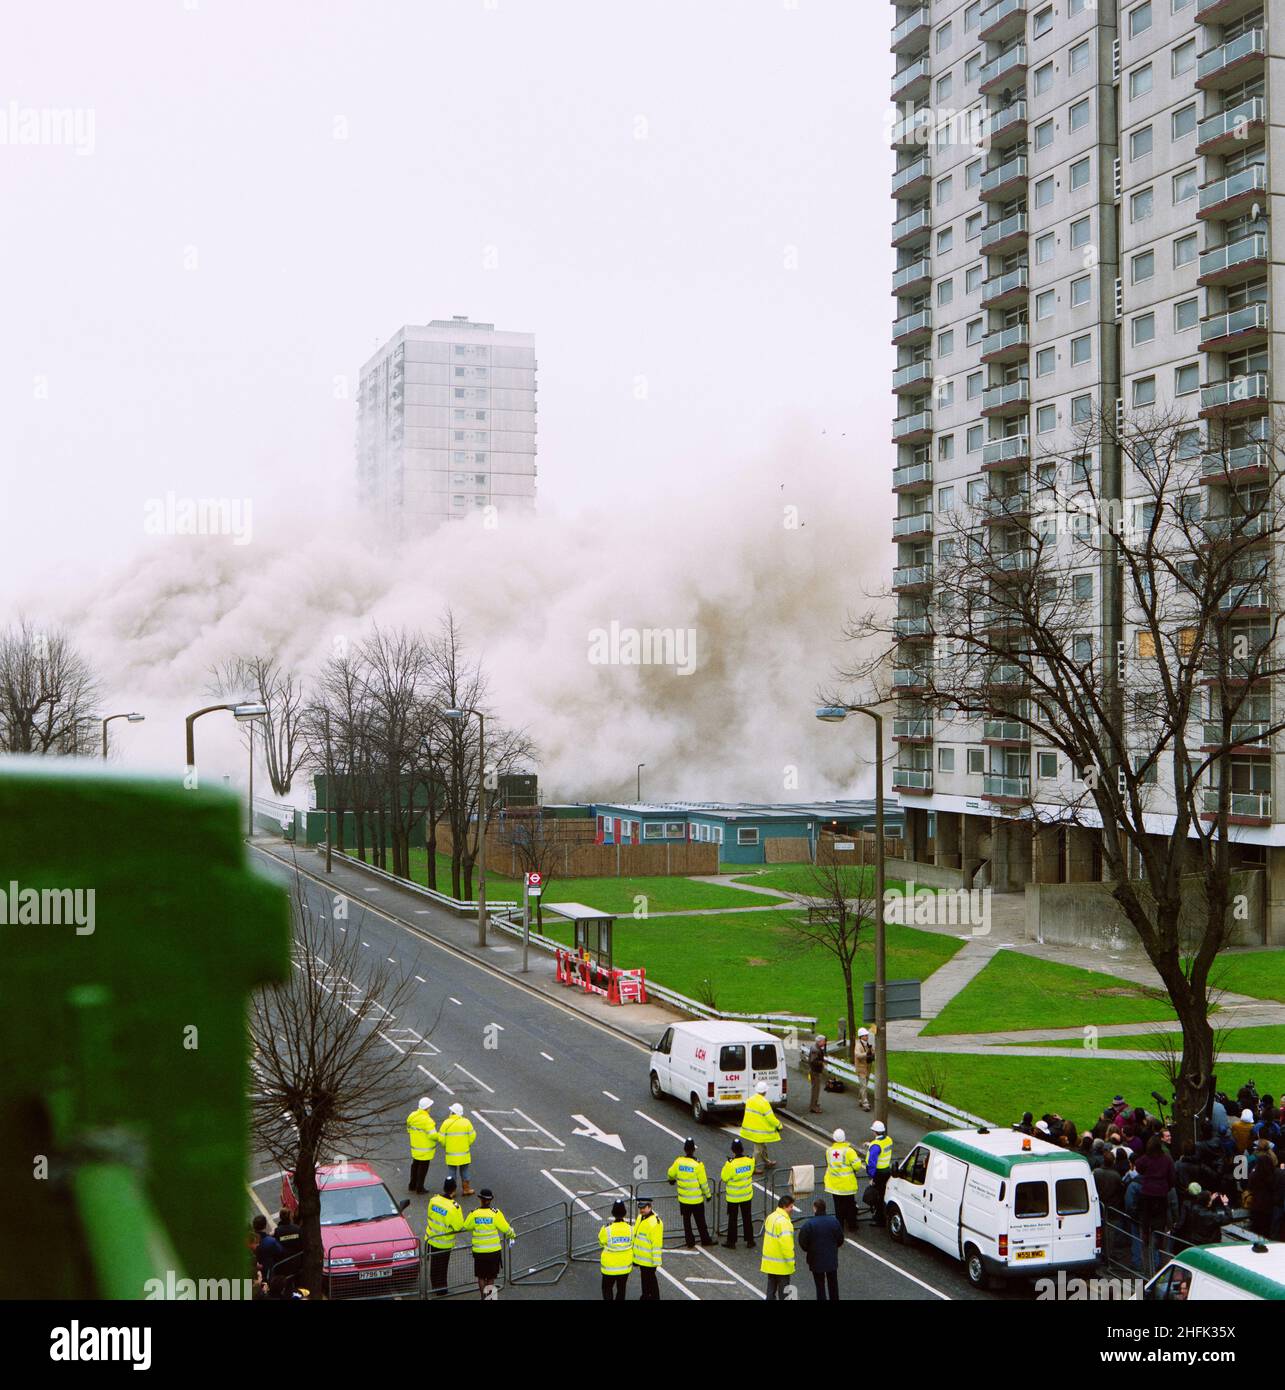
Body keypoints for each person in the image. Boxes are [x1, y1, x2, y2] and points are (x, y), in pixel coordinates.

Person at [462, 1188, 514, 1299]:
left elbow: (466, 1226)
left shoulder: (474, 1213)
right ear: (491, 1200)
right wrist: (512, 1235)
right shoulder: (495, 1213)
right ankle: (490, 1298)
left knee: (481, 1277)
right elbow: (506, 1229)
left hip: (479, 1252)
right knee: (491, 1277)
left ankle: (483, 1297)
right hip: (493, 1252)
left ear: (480, 1199)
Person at [669, 1138, 716, 1247]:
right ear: (693, 1150)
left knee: (687, 1222)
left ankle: (690, 1242)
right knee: (700, 1222)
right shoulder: (698, 1164)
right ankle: (705, 1240)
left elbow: (670, 1173)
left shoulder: (678, 1162)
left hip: (683, 1200)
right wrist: (708, 1195)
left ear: (684, 1149)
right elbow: (703, 1183)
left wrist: (671, 1180)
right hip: (696, 1200)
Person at [424, 1175, 465, 1295]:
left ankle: (435, 1286)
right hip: (444, 1242)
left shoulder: (434, 1200)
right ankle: (441, 1290)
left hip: (432, 1238)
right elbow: (458, 1226)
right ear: (454, 1189)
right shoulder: (454, 1207)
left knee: (434, 1264)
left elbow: (430, 1215)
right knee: (442, 1266)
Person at [798, 1197, 844, 1301]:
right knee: (833, 1284)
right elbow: (840, 1239)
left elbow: (803, 1242)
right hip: (831, 1259)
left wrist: (809, 1250)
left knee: (820, 1286)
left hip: (815, 1260)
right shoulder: (834, 1221)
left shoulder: (809, 1224)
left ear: (815, 1208)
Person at [739, 1081, 783, 1173]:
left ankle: (766, 1161)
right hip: (758, 1131)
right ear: (765, 1091)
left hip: (751, 1129)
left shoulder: (750, 1099)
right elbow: (770, 1117)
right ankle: (753, 1168)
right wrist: (779, 1125)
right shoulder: (764, 1103)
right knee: (758, 1150)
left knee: (763, 1146)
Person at [721, 1138, 756, 1249]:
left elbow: (724, 1177)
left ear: (733, 1150)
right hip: (746, 1195)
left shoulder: (730, 1164)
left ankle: (731, 1242)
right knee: (747, 1218)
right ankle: (750, 1241)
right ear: (742, 1149)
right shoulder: (750, 1160)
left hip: (733, 1197)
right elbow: (751, 1172)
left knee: (733, 1219)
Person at [825, 1128, 862, 1233]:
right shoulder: (849, 1151)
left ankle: (839, 1226)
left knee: (838, 1207)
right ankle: (852, 1226)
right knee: (850, 1206)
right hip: (847, 1185)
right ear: (844, 1138)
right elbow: (857, 1166)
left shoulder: (829, 1151)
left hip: (835, 1185)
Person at [761, 1194, 796, 1300]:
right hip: (782, 1265)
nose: (792, 1209)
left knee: (771, 1291)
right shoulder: (784, 1223)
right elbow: (787, 1246)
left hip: (769, 1263)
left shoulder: (771, 1217)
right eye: (791, 1207)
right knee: (784, 1294)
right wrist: (791, 1262)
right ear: (785, 1207)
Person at [439, 1101, 478, 1196]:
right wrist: (467, 1144)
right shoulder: (466, 1122)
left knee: (452, 1173)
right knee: (465, 1172)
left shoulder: (446, 1123)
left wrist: (446, 1146)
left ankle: (451, 1191)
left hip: (451, 1154)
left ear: (452, 1112)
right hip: (464, 1154)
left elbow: (441, 1138)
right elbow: (473, 1135)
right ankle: (466, 1189)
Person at [599, 1200, 634, 1301]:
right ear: (624, 1213)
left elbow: (601, 1242)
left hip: (609, 1267)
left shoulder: (606, 1229)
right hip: (625, 1267)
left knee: (607, 1289)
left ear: (613, 1213)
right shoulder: (631, 1229)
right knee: (621, 1289)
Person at [632, 1197, 664, 1301]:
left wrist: (656, 1261)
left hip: (649, 1260)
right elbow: (636, 1235)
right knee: (645, 1279)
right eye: (640, 1208)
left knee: (650, 1280)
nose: (641, 1210)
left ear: (649, 1207)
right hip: (641, 1258)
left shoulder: (655, 1223)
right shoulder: (640, 1217)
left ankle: (654, 1297)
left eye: (644, 1208)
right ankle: (645, 1296)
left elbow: (656, 1243)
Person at [863, 1120, 894, 1227]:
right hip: (887, 1171)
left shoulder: (875, 1146)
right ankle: (881, 1216)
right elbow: (881, 1148)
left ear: (874, 1132)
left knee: (878, 1196)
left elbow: (872, 1163)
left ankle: (879, 1219)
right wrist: (870, 1144)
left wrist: (872, 1177)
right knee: (883, 1194)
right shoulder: (889, 1140)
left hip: (878, 1174)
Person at [406, 1096, 438, 1195]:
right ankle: (420, 1188)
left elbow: (408, 1129)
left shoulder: (412, 1116)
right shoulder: (427, 1120)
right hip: (425, 1149)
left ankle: (412, 1185)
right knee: (423, 1168)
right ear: (427, 1108)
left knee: (415, 1165)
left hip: (415, 1146)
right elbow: (433, 1135)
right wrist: (441, 1137)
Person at [251, 1214, 284, 1280]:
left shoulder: (249, 1241)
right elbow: (280, 1251)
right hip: (268, 1272)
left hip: (253, 1273)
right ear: (265, 1226)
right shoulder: (270, 1241)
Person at [273, 1208, 303, 1275]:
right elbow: (302, 1244)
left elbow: (276, 1246)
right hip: (297, 1261)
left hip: (284, 1262)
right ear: (290, 1217)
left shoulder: (278, 1231)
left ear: (280, 1217)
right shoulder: (297, 1229)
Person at [805, 1034, 828, 1114]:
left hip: (815, 1071)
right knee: (815, 1089)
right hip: (815, 1072)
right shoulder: (816, 1050)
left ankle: (814, 1104)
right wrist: (822, 1063)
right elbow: (813, 1061)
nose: (825, 1043)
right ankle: (813, 1106)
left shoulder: (815, 1047)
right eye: (824, 1041)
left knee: (816, 1089)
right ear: (820, 1041)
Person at [854, 1028, 874, 1112]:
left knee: (863, 1085)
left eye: (867, 1035)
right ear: (861, 1036)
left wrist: (872, 1053)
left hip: (867, 1068)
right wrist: (867, 1054)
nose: (867, 1036)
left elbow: (872, 1052)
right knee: (864, 1086)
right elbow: (858, 1055)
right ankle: (865, 1103)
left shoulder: (867, 1044)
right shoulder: (858, 1045)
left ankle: (860, 1100)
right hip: (861, 1068)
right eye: (865, 1035)